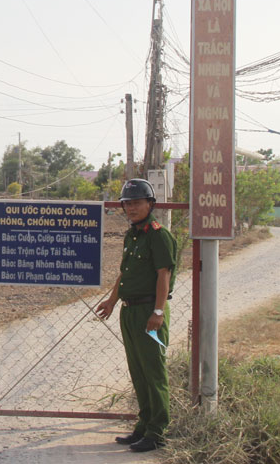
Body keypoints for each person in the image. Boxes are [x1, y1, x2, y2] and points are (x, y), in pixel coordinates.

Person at [96, 178, 178, 452]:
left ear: (150, 204)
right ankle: (143, 425)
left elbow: (163, 275)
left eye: (136, 203)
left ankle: (158, 431)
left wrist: (158, 311)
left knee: (154, 372)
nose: (131, 208)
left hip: (148, 311)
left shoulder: (158, 235)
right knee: (138, 371)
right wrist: (111, 300)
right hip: (129, 310)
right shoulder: (132, 235)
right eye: (127, 204)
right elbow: (125, 272)